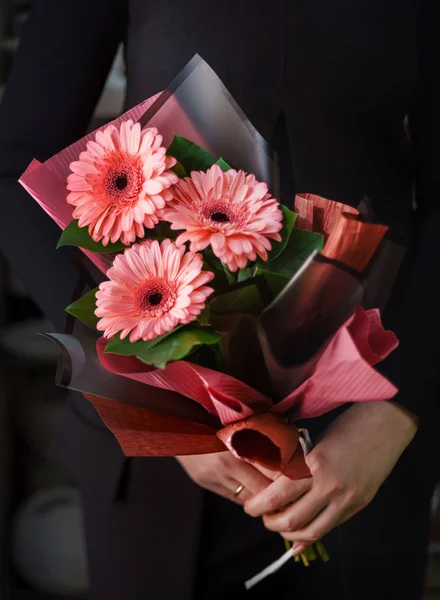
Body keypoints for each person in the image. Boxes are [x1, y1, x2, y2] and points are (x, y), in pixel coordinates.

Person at [0, 1, 438, 598]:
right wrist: (154, 394)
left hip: (364, 434)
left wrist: (394, 413)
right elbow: (13, 163)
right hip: (161, 434)